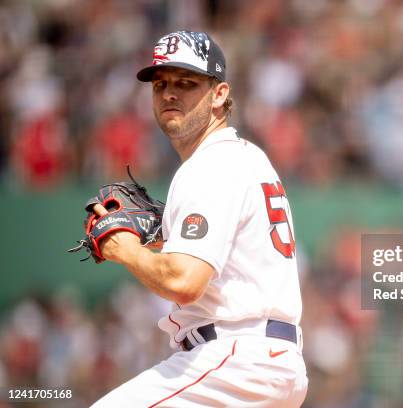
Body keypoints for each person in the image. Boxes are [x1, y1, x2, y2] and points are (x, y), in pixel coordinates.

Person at [90, 30, 308, 407]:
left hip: (235, 362)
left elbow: (184, 282)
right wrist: (166, 239)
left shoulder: (212, 164)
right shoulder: (245, 156)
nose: (170, 94)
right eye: (160, 85)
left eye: (186, 83)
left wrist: (123, 249)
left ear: (219, 94)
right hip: (267, 361)